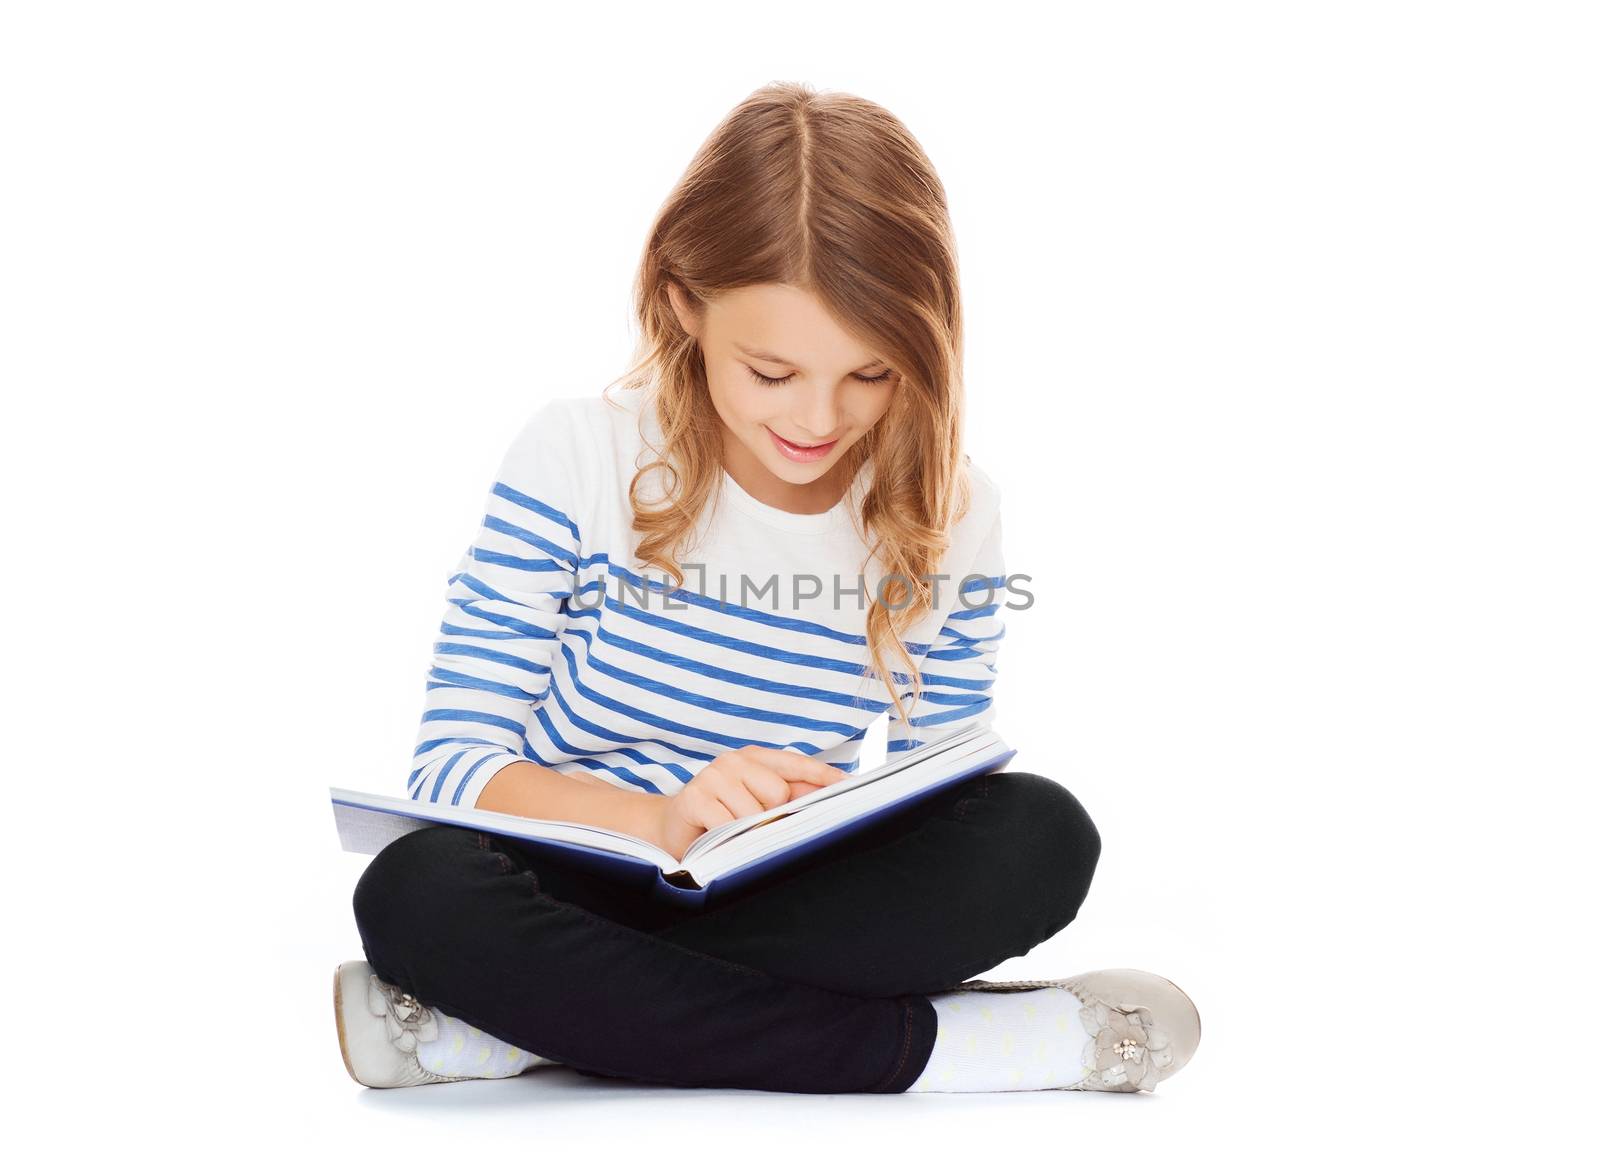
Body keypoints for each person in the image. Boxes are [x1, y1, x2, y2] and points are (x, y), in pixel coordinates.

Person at [332, 81, 1200, 1096]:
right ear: (682, 303)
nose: (818, 418)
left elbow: (941, 794)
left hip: (794, 896)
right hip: (582, 880)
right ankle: (942, 1052)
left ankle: (513, 1030)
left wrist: (833, 814)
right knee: (416, 888)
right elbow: (451, 766)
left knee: (1038, 833)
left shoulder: (953, 510)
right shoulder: (576, 454)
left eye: (869, 375)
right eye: (771, 371)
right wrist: (662, 820)